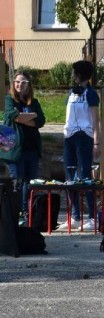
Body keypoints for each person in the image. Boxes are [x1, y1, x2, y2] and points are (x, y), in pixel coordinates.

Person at [59, 60, 101, 231]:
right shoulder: (71, 93)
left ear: (80, 75)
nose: (72, 76)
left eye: (75, 73)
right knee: (70, 177)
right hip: (69, 137)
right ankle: (75, 216)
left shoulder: (90, 94)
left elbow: (95, 121)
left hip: (84, 137)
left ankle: (92, 216)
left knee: (85, 176)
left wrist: (97, 142)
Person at [3, 70, 46, 222]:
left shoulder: (34, 102)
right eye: (17, 82)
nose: (20, 85)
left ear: (28, 85)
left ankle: (27, 213)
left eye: (23, 82)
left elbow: (41, 121)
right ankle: (16, 214)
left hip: (31, 149)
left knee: (30, 183)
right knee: (17, 183)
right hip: (13, 148)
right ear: (13, 84)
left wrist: (28, 116)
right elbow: (13, 116)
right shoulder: (9, 99)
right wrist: (31, 115)